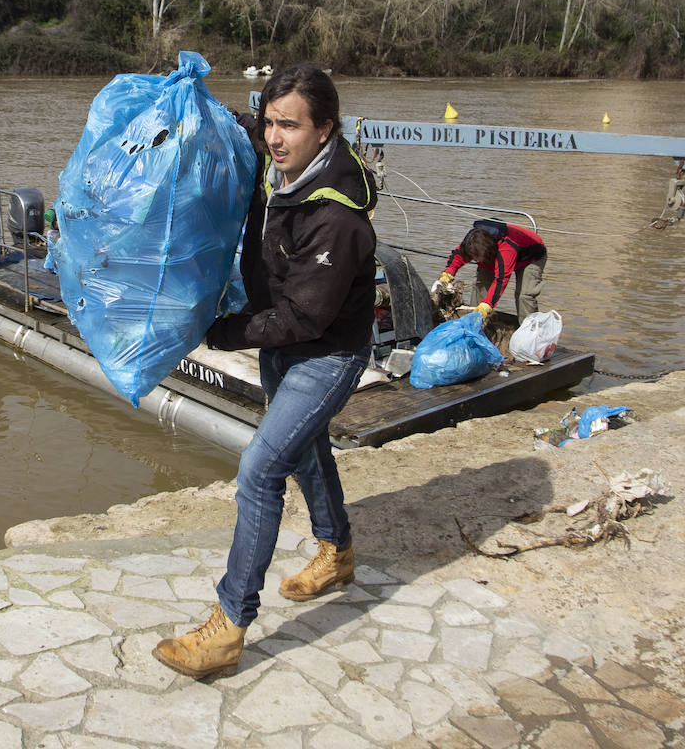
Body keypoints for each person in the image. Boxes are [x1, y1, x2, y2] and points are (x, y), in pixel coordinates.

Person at [151, 63, 378, 680]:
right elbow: (239, 124)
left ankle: (229, 624)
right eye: (270, 122)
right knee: (307, 452)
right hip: (282, 337)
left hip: (327, 354)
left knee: (259, 471)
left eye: (290, 126)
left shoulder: (337, 217)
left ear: (325, 129)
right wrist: (192, 99)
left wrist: (220, 332)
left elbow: (305, 318)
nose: (274, 138)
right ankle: (337, 551)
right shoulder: (283, 157)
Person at [431, 219, 547, 324]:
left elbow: (501, 280)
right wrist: (447, 275)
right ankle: (472, 325)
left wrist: (487, 305)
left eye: (476, 258)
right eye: (473, 257)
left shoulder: (506, 249)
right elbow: (458, 256)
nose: (474, 260)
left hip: (531, 258)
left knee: (524, 296)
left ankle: (530, 331)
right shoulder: (473, 241)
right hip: (491, 256)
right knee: (480, 289)